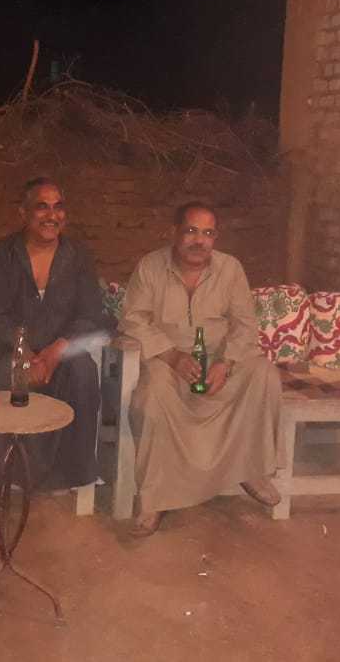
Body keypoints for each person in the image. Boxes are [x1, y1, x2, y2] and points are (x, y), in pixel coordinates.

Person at [120, 201, 280, 536]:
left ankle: (249, 468)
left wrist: (227, 363)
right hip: (168, 361)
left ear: (215, 238)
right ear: (174, 233)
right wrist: (173, 357)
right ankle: (154, 500)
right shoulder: (150, 267)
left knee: (263, 373)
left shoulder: (230, 269)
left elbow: (245, 325)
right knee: (152, 393)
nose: (199, 241)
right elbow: (133, 320)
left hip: (218, 363)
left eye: (208, 233)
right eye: (191, 231)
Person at [0, 177, 104, 491]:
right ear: (24, 212)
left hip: (61, 348)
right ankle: (7, 474)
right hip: (11, 348)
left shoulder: (78, 255)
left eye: (58, 207)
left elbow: (90, 312)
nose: (51, 215)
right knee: (4, 373)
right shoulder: (2, 254)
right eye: (42, 207)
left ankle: (72, 474)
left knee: (83, 372)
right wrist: (25, 352)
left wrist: (56, 351)